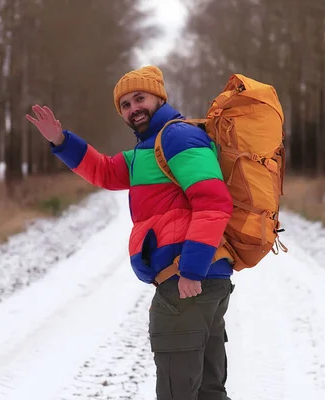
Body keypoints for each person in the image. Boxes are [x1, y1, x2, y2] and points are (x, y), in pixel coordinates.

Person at [26, 65, 235, 400]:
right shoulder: (147, 150)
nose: (133, 107)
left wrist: (192, 270)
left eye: (140, 98)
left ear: (158, 97)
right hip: (201, 282)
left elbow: (213, 202)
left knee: (178, 393)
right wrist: (61, 141)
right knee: (208, 392)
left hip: (189, 280)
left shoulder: (176, 137)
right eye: (124, 104)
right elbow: (105, 172)